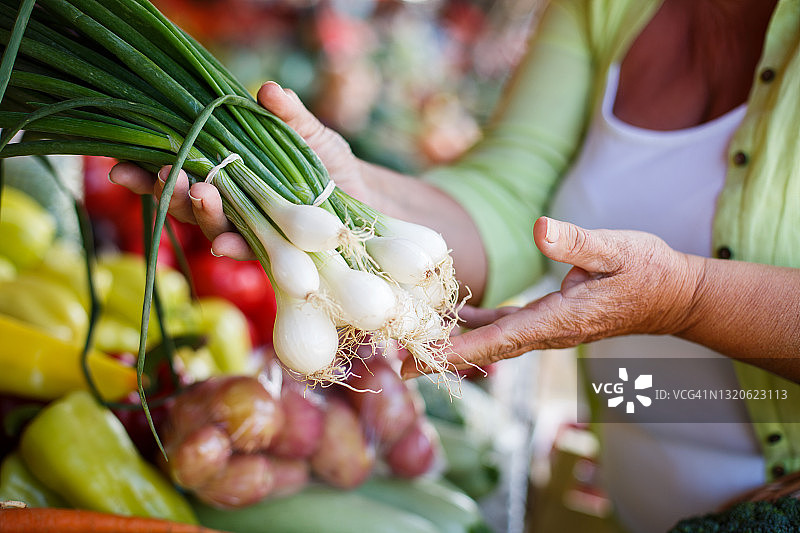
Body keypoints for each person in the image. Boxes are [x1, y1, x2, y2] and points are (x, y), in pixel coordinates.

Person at [111, 0, 800, 530]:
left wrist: (689, 298)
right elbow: (507, 197)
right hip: (638, 505)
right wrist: (356, 192)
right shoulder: (602, 8)